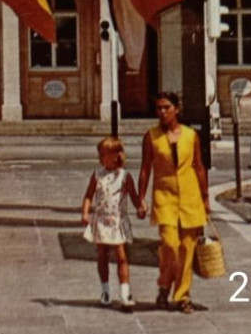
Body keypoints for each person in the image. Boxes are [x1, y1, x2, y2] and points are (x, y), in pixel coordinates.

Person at [138, 90, 210, 313]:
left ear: (176, 109)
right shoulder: (151, 137)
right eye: (159, 108)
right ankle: (163, 285)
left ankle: (182, 297)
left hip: (190, 197)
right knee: (170, 246)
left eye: (166, 107)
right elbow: (145, 168)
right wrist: (141, 198)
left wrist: (205, 197)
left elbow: (198, 167)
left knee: (187, 250)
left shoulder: (190, 135)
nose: (162, 112)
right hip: (164, 197)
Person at [81, 136, 146, 309]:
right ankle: (106, 291)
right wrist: (85, 212)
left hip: (118, 220)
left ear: (117, 156)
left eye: (105, 154)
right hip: (101, 220)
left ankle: (124, 292)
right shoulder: (97, 175)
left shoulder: (125, 176)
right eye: (100, 155)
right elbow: (89, 195)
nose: (102, 158)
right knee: (102, 255)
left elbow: (133, 196)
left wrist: (140, 206)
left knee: (122, 256)